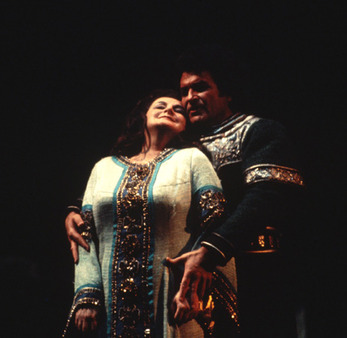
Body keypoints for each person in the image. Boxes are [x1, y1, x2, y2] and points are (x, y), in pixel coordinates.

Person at [66, 45, 306, 337]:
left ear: (226, 91)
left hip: (253, 272)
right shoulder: (177, 144)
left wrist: (212, 251)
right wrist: (77, 211)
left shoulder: (258, 131)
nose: (189, 98)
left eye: (201, 88)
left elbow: (269, 195)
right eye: (185, 91)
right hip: (181, 282)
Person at [62, 89, 238, 338]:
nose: (170, 110)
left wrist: (192, 289)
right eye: (161, 106)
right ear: (142, 117)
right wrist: (87, 294)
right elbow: (85, 236)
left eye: (178, 109)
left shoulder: (192, 160)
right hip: (108, 310)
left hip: (172, 301)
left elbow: (216, 220)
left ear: (185, 125)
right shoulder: (103, 168)